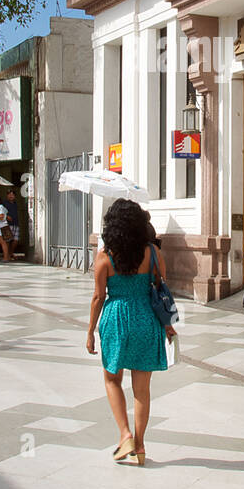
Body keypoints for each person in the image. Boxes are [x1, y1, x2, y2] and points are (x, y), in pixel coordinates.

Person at [86, 199, 176, 467]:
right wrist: (168, 324)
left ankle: (124, 435)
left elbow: (98, 297)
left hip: (116, 319)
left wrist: (90, 331)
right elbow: (161, 288)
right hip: (146, 319)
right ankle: (140, 445)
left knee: (112, 379)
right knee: (142, 389)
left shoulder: (105, 256)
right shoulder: (153, 253)